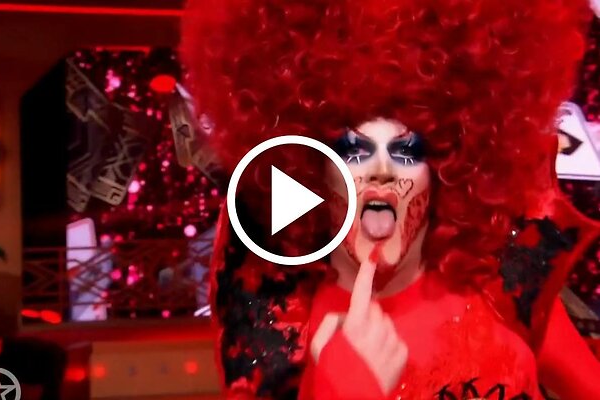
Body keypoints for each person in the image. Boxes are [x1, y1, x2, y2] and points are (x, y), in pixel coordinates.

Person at [181, 0, 600, 398]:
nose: (382, 170)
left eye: (407, 151)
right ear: (312, 170)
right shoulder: (282, 334)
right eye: (354, 151)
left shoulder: (501, 290)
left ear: (444, 171)